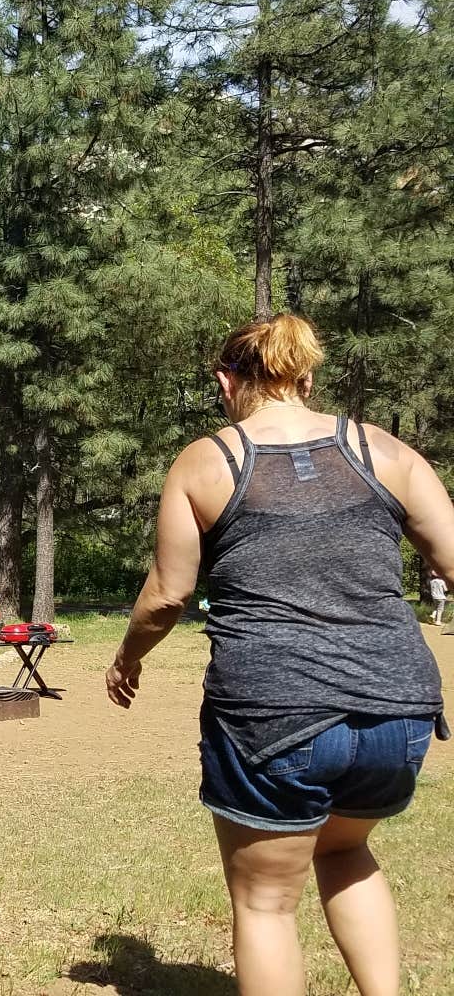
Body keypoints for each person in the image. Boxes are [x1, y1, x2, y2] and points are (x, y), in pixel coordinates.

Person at [106, 314, 449, 996]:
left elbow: (168, 594)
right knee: (348, 849)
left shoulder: (205, 462)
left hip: (272, 713)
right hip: (398, 708)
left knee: (266, 902)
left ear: (226, 381)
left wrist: (126, 658)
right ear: (306, 377)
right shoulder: (383, 450)